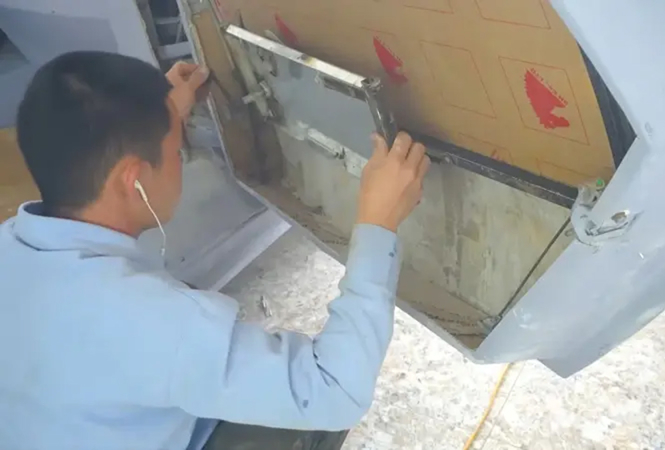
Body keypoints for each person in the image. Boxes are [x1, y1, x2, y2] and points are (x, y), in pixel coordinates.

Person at [0, 51, 430, 450]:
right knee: (324, 393)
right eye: (175, 149)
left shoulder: (13, 244)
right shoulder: (152, 322)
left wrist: (160, 115)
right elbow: (334, 389)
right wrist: (378, 225)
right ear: (133, 180)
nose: (180, 155)